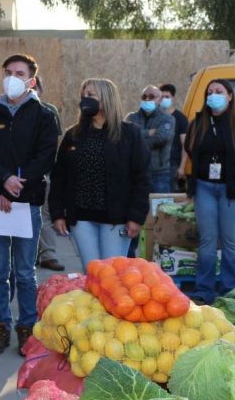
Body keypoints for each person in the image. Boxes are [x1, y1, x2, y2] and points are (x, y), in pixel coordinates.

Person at [0, 54, 59, 355]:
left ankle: (27, 329)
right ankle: (0, 326)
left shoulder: (44, 115)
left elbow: (44, 158)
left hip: (27, 202)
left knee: (24, 271)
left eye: (18, 73)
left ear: (31, 80)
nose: (12, 77)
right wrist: (3, 181)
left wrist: (15, 186)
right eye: (8, 72)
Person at [49, 78, 151, 268]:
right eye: (83, 96)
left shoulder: (129, 135)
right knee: (92, 273)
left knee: (112, 275)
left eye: (90, 95)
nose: (84, 100)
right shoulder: (73, 135)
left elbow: (141, 178)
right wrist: (57, 213)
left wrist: (136, 217)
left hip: (116, 219)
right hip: (81, 218)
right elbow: (59, 176)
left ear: (106, 99)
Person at [184, 79, 235, 302]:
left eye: (219, 91)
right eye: (210, 92)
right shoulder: (199, 122)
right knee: (207, 240)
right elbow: (191, 149)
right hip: (204, 186)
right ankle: (204, 289)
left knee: (230, 240)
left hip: (232, 189)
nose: (213, 95)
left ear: (229, 96)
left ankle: (232, 288)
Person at [32, 76, 66, 272]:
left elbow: (55, 143)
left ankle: (48, 255)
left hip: (44, 172)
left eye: (36, 85)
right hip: (18, 174)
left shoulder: (49, 111)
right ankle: (32, 255)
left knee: (44, 214)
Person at [127, 85, 175, 194]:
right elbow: (125, 138)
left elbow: (160, 139)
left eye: (151, 96)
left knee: (160, 208)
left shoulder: (168, 119)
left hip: (159, 173)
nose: (147, 99)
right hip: (136, 172)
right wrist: (148, 132)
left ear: (159, 100)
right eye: (144, 96)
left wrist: (137, 138)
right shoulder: (131, 117)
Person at [160, 83, 189, 188]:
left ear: (173, 98)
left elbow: (185, 144)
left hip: (172, 165)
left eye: (167, 97)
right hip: (154, 165)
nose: (164, 99)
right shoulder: (155, 117)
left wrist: (182, 167)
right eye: (161, 97)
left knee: (168, 198)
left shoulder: (180, 118)